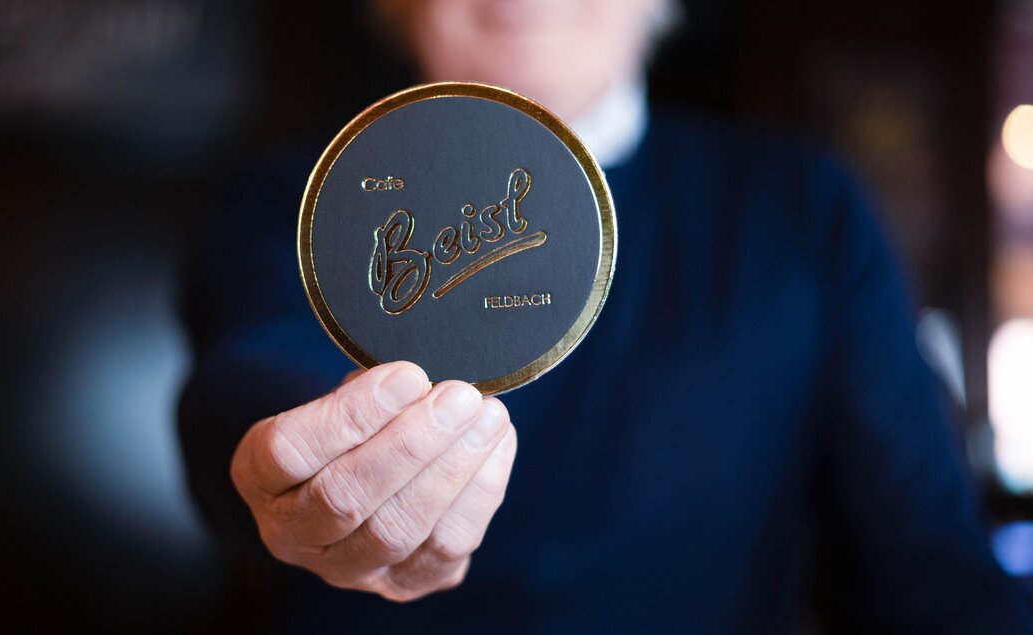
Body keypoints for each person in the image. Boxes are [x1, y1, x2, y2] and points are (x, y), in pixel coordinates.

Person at [178, 0, 1033, 632]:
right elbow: (248, 383)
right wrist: (292, 469)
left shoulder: (798, 213)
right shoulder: (295, 204)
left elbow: (930, 573)